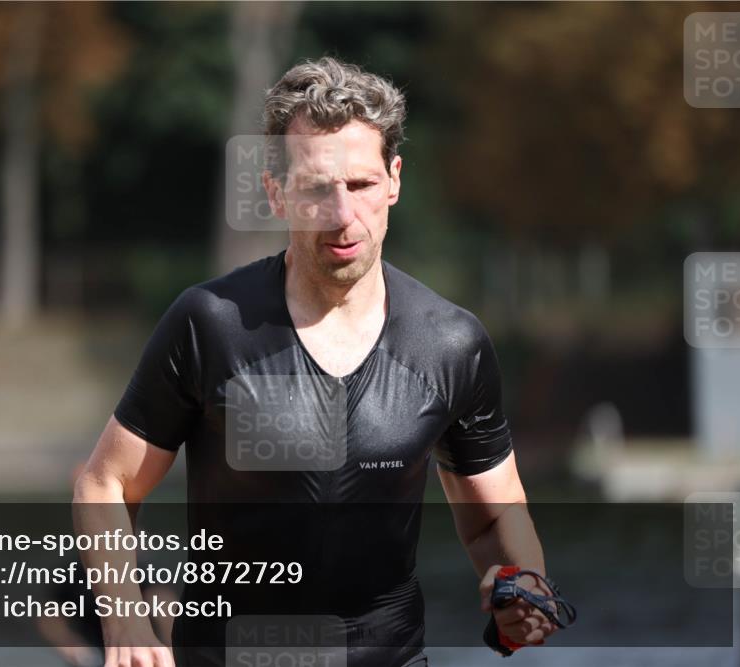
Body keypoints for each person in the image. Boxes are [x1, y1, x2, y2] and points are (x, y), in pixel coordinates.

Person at [75, 56, 559, 667]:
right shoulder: (210, 323)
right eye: (315, 189)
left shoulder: (450, 343)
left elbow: (495, 522)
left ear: (394, 181)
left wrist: (523, 588)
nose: (341, 215)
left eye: (359, 184)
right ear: (277, 193)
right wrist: (125, 623)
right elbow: (106, 482)